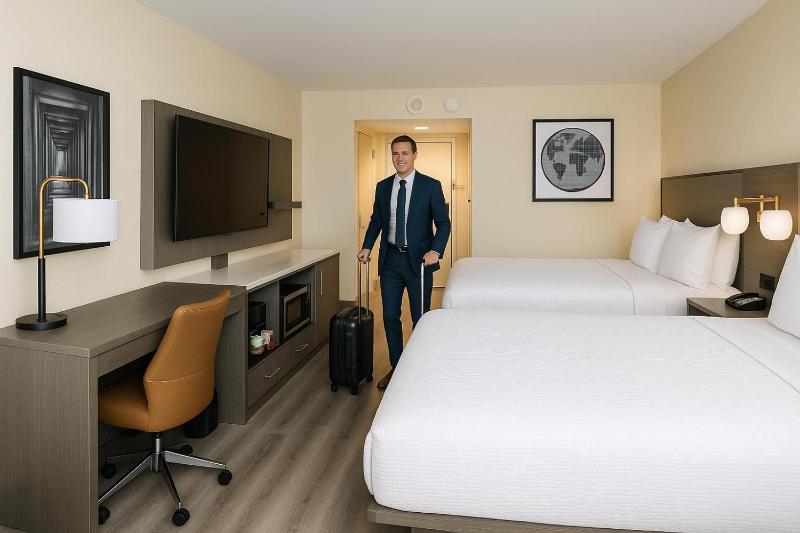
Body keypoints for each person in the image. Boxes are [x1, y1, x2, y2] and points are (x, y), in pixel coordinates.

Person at [358, 135, 451, 390]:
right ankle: (397, 369)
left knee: (420, 318)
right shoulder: (383, 187)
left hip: (419, 262)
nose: (400, 158)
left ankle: (420, 368)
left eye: (405, 153)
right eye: (395, 153)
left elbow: (444, 224)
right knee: (390, 316)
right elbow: (377, 221)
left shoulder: (430, 186)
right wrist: (367, 246)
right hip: (390, 260)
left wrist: (436, 250)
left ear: (414, 155)